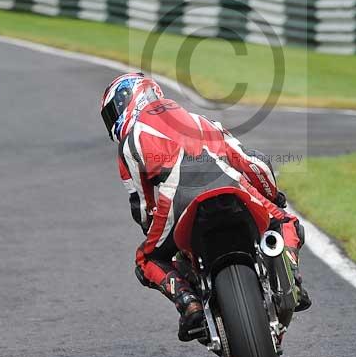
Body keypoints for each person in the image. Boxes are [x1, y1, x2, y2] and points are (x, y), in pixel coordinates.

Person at [100, 72, 311, 342]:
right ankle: (291, 275)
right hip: (230, 182)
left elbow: (142, 207)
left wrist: (153, 230)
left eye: (112, 112)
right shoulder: (201, 121)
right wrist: (273, 198)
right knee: (286, 221)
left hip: (176, 197)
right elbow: (250, 162)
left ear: (130, 100)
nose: (113, 121)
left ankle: (189, 303)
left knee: (146, 259)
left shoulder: (131, 141)